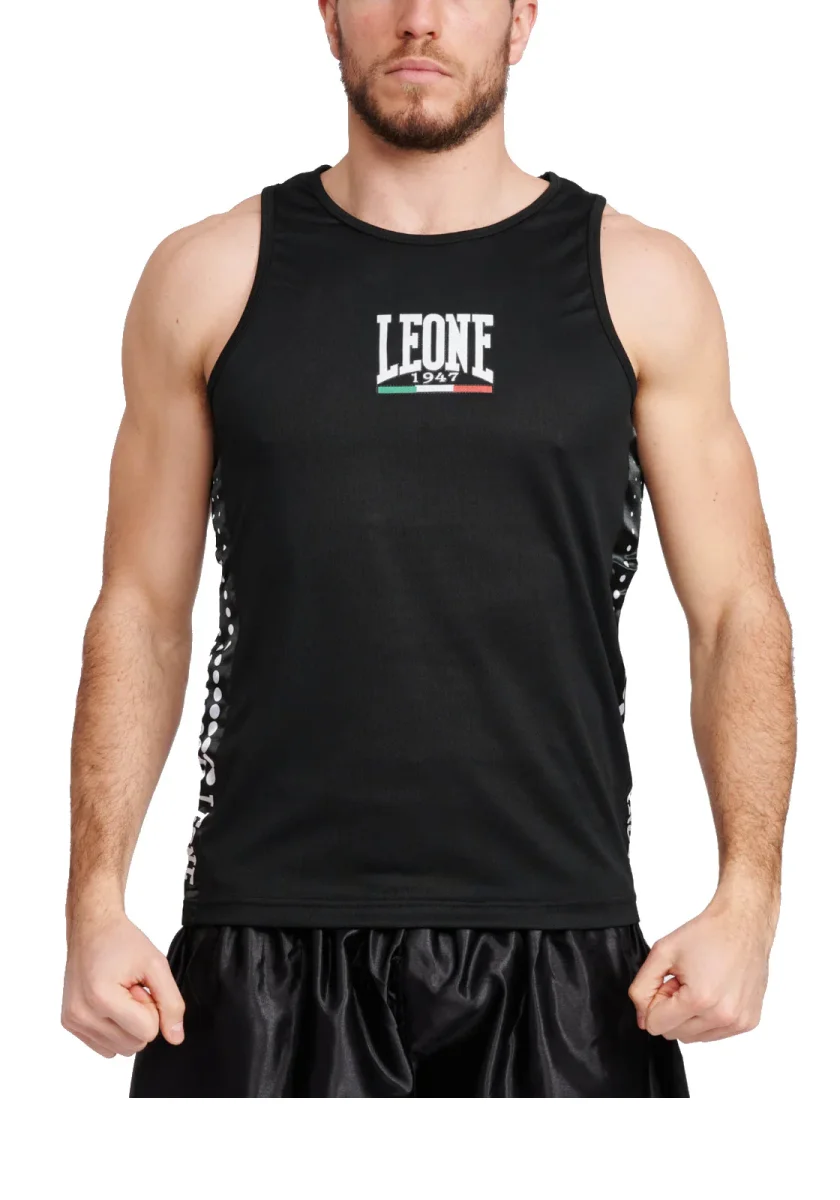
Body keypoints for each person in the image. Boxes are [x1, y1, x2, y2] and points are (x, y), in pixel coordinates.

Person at [61, 0, 795, 1098]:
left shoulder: (640, 281)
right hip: (266, 945)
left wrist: (750, 899)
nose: (419, 20)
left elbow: (737, 611)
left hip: (563, 948)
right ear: (329, 16)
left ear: (521, 19)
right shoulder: (208, 276)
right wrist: (94, 901)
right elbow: (141, 611)